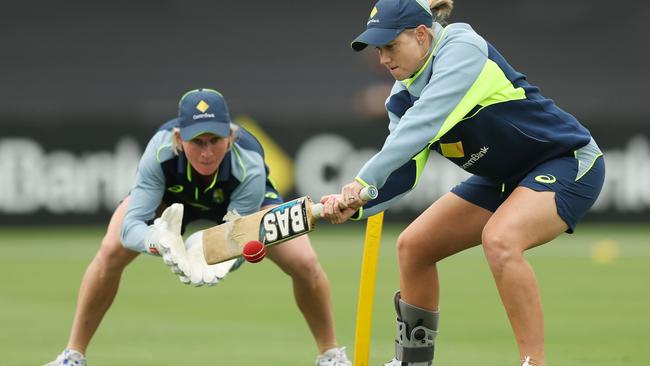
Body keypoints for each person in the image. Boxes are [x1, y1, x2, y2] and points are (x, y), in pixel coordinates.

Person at [319, 1, 605, 366]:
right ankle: (413, 362)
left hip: (566, 161)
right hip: (501, 178)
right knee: (414, 246)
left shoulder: (461, 48)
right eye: (379, 50)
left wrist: (362, 180)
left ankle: (534, 363)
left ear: (421, 35)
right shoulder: (401, 97)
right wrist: (358, 203)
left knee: (501, 239)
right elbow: (403, 172)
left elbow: (425, 122)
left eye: (390, 46)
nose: (383, 59)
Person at [44, 88, 351, 366]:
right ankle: (73, 356)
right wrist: (158, 240)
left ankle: (330, 355)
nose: (206, 152)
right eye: (197, 142)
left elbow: (239, 239)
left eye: (215, 141)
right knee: (110, 250)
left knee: (306, 263)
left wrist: (213, 259)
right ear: (179, 139)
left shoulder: (250, 165)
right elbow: (130, 228)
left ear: (229, 137)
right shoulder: (160, 153)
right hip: (170, 200)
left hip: (240, 210)